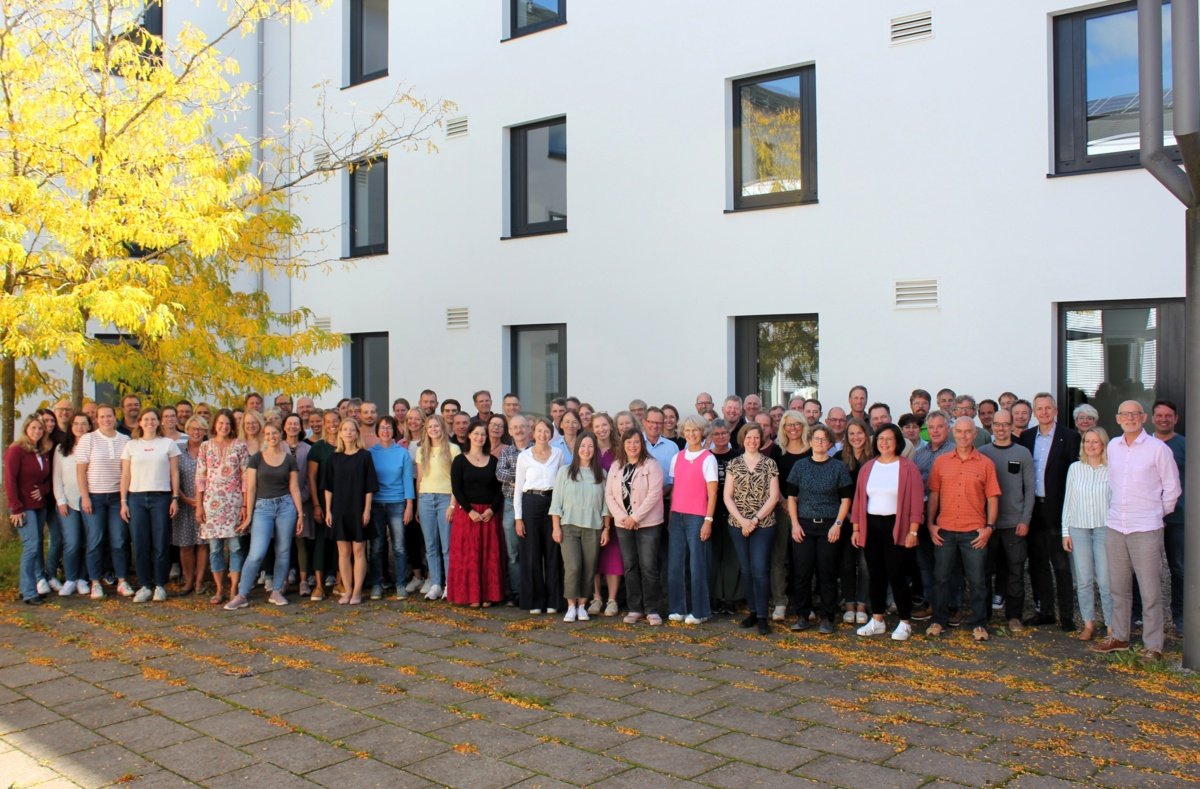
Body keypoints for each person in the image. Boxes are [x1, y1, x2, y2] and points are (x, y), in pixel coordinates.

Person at [1093, 402, 1181, 662]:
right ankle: (1120, 636)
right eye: (1124, 414)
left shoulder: (1158, 449)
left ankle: (1153, 645)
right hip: (1117, 525)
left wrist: (1155, 513)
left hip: (1146, 527)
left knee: (1150, 589)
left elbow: (1172, 489)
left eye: (1135, 414)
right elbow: (1112, 482)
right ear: (1118, 419)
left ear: (1143, 418)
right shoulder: (1113, 447)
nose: (1130, 418)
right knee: (1118, 587)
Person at [927, 418, 1001, 642]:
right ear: (953, 433)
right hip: (945, 530)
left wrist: (989, 527)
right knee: (941, 578)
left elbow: (992, 498)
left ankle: (979, 623)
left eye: (968, 432)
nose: (963, 436)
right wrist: (930, 524)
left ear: (975, 433)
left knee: (977, 580)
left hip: (974, 531)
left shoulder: (986, 463)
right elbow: (934, 495)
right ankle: (938, 620)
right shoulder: (941, 462)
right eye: (959, 432)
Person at [851, 424, 924, 641]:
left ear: (897, 442)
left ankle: (904, 622)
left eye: (889, 439)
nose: (884, 442)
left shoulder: (908, 468)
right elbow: (858, 499)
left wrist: (913, 531)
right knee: (875, 575)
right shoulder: (868, 468)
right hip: (871, 526)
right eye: (881, 438)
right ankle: (878, 619)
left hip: (897, 526)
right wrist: (856, 528)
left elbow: (916, 502)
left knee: (897, 574)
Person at [1017, 393, 1080, 631]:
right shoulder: (1027, 437)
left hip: (1058, 508)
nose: (1043, 412)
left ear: (1055, 411)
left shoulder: (1070, 437)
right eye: (1039, 409)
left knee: (1061, 564)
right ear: (1035, 412)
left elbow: (1074, 474)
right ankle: (1046, 612)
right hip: (1034, 509)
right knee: (1038, 562)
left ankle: (1066, 616)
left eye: (1047, 408)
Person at [225, 423, 303, 609]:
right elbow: (251, 489)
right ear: (264, 437)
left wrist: (300, 513)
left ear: (280, 434)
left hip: (286, 506)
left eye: (274, 433)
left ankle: (276, 591)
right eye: (267, 434)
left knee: (283, 551)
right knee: (256, 553)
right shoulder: (257, 459)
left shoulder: (289, 459)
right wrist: (249, 515)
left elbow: (294, 488)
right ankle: (242, 594)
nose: (271, 436)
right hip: (263, 507)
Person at [787, 424, 852, 634]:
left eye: (824, 440)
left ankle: (827, 617)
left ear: (831, 444)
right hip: (804, 525)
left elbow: (845, 499)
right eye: (816, 439)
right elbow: (792, 498)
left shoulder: (838, 468)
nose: (820, 443)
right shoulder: (799, 466)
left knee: (827, 573)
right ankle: (803, 615)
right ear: (810, 441)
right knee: (802, 572)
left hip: (829, 526)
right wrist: (795, 524)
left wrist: (838, 525)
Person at [979, 410, 1035, 631]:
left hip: (1014, 524)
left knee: (1015, 571)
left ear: (1012, 426)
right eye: (997, 424)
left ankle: (1014, 616)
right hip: (987, 525)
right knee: (983, 572)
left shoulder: (1023, 453)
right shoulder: (982, 453)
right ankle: (983, 616)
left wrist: (1025, 519)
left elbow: (1030, 489)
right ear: (991, 426)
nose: (1001, 428)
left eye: (1005, 424)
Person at [120, 409, 181, 603]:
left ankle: (160, 585)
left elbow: (174, 473)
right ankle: (145, 585)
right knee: (140, 543)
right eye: (146, 419)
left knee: (161, 543)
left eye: (153, 419)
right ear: (139, 422)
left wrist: (175, 497)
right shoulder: (131, 445)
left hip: (161, 497)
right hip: (136, 498)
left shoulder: (168, 444)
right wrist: (123, 501)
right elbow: (125, 475)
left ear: (159, 422)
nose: (149, 422)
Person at [723, 423, 780, 635]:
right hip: (737, 525)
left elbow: (774, 497)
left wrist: (754, 520)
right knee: (746, 569)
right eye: (749, 437)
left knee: (759, 569)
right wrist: (742, 521)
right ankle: (753, 612)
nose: (753, 441)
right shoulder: (734, 464)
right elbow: (727, 496)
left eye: (756, 437)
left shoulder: (769, 464)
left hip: (763, 525)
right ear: (743, 439)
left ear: (761, 439)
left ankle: (764, 616)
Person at [607, 429, 665, 625]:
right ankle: (635, 608)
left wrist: (636, 517)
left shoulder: (652, 465)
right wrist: (623, 517)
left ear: (642, 444)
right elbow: (609, 495)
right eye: (629, 442)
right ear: (623, 444)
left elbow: (654, 494)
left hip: (648, 524)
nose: (632, 446)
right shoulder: (616, 466)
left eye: (636, 442)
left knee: (648, 567)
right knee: (630, 566)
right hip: (623, 524)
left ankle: (652, 609)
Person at [550, 433, 610, 621]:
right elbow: (556, 502)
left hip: (593, 527)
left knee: (589, 568)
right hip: (568, 526)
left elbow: (605, 506)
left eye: (590, 446)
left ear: (595, 450)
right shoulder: (565, 472)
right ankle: (570, 605)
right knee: (573, 567)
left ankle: (583, 605)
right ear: (577, 449)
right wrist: (556, 527)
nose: (586, 450)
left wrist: (607, 528)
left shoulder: (602, 474)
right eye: (582, 446)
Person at [1061, 427, 1113, 642]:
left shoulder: (1112, 469)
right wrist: (1065, 531)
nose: (1090, 446)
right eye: (1087, 441)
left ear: (1103, 445)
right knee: (1083, 579)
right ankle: (1088, 624)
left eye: (1095, 442)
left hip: (1104, 528)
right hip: (1079, 528)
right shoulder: (1075, 468)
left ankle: (1111, 626)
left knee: (1106, 581)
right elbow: (1068, 501)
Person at [76, 404, 133, 598]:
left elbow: (127, 471)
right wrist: (85, 496)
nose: (106, 420)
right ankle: (95, 582)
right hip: (94, 497)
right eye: (102, 417)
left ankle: (122, 580)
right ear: (97, 420)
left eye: (109, 416)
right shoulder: (88, 439)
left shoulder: (125, 440)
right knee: (95, 540)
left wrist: (125, 498)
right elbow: (80, 471)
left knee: (119, 540)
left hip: (118, 497)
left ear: (115, 417)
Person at [448, 420, 506, 607]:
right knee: (469, 556)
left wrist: (492, 510)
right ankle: (471, 596)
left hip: (489, 514)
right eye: (476, 434)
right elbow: (457, 489)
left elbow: (500, 490)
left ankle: (488, 595)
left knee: (489, 556)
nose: (480, 437)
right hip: (467, 515)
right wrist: (470, 511)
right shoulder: (459, 460)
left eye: (483, 434)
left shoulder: (494, 461)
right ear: (470, 436)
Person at [667, 415, 719, 625]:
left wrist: (708, 519)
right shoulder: (677, 457)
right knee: (675, 564)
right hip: (676, 516)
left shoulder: (708, 458)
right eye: (687, 430)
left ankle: (700, 610)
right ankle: (678, 608)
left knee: (697, 564)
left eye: (695, 430)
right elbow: (674, 488)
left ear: (702, 432)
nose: (691, 434)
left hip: (697, 517)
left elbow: (713, 493)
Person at [321, 419, 379, 605]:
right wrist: (328, 511)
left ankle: (357, 591)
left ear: (356, 433)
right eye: (344, 430)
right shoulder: (334, 457)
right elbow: (328, 487)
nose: (348, 433)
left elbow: (370, 486)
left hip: (358, 508)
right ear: (340, 433)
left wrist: (367, 510)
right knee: (343, 552)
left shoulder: (364, 456)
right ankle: (346, 589)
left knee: (359, 550)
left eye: (351, 430)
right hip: (339, 509)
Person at [196, 409, 249, 605]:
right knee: (215, 548)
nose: (224, 427)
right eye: (221, 423)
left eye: (228, 424)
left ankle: (234, 588)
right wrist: (199, 505)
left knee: (235, 548)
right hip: (211, 503)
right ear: (214, 425)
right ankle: (219, 589)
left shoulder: (240, 447)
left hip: (234, 503)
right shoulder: (205, 447)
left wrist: (244, 504)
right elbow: (200, 477)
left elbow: (245, 477)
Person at [515, 418, 566, 614]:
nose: (543, 435)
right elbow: (519, 488)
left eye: (547, 431)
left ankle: (554, 600)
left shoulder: (558, 454)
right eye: (539, 431)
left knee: (554, 553)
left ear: (551, 435)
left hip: (552, 503)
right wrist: (519, 518)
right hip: (531, 503)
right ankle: (535, 601)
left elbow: (561, 483)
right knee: (532, 554)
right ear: (533, 433)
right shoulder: (524, 457)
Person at [6, 415, 54, 604]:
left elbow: (45, 479)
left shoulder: (41, 451)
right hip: (23, 507)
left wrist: (43, 490)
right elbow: (10, 480)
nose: (37, 431)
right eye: (33, 428)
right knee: (31, 545)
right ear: (26, 428)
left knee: (36, 546)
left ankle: (29, 585)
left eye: (40, 429)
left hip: (39, 506)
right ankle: (28, 592)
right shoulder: (16, 450)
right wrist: (15, 507)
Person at [413, 415, 460, 601]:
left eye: (436, 426)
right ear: (426, 430)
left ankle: (450, 584)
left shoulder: (453, 449)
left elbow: (456, 480)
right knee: (430, 545)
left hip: (445, 498)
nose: (433, 429)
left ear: (442, 428)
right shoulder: (421, 450)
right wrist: (417, 505)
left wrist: (452, 504)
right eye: (430, 426)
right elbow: (420, 479)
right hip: (425, 498)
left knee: (447, 546)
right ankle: (435, 584)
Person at [368, 416, 414, 601]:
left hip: (397, 503)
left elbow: (407, 480)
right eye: (382, 428)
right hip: (376, 504)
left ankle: (400, 584)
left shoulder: (402, 453)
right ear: (377, 431)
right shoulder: (370, 453)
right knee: (377, 546)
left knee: (399, 546)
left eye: (389, 428)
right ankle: (377, 584)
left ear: (394, 430)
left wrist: (409, 505)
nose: (386, 431)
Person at [1151, 400, 1185, 638]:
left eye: (1168, 415)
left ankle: (1181, 620)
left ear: (1176, 418)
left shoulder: (1185, 445)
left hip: (1178, 517)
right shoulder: (1143, 444)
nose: (1164, 419)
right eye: (1159, 415)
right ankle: (1137, 617)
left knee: (1179, 569)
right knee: (1142, 570)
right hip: (1146, 518)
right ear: (1152, 418)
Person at [772, 410, 810, 621]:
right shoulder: (778, 451)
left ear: (803, 426)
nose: (792, 428)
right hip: (781, 509)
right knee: (779, 557)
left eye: (796, 424)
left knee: (802, 559)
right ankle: (780, 602)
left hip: (805, 510)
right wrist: (784, 502)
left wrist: (797, 504)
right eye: (788, 425)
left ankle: (803, 602)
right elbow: (772, 479)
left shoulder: (811, 449)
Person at [52, 413, 93, 597]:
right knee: (72, 542)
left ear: (90, 427)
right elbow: (57, 477)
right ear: (71, 427)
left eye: (84, 424)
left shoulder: (94, 446)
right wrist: (60, 500)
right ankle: (70, 578)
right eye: (76, 424)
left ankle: (83, 579)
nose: (80, 427)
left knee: (88, 541)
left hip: (90, 500)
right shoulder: (62, 449)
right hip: (68, 501)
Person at [839, 418, 874, 625]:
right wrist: (848, 515)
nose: (856, 437)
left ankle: (862, 604)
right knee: (846, 563)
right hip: (845, 519)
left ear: (866, 434)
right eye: (851, 433)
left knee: (865, 563)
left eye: (859, 433)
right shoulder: (838, 458)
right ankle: (849, 603)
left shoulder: (875, 459)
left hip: (869, 519)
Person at [588, 412, 623, 616]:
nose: (601, 429)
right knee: (593, 554)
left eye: (604, 425)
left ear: (610, 426)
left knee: (612, 555)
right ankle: (596, 597)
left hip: (614, 508)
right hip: (592, 508)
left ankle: (612, 599)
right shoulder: (588, 449)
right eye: (596, 426)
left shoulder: (619, 450)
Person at [708, 420, 743, 615]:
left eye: (724, 433)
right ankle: (715, 596)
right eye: (716, 434)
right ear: (711, 437)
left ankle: (731, 598)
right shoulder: (707, 457)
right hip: (711, 513)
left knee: (732, 556)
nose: (720, 437)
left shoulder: (737, 457)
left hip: (734, 512)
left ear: (729, 435)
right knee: (713, 556)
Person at [305, 409, 341, 601]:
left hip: (344, 500)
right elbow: (311, 476)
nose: (332, 424)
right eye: (328, 421)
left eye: (335, 420)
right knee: (320, 542)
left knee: (341, 542)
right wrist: (317, 505)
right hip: (322, 499)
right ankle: (318, 585)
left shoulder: (347, 445)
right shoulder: (319, 447)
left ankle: (340, 581)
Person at [496, 414, 531, 604]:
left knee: (533, 550)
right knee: (513, 552)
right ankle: (517, 592)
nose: (519, 430)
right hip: (510, 503)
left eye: (522, 426)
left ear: (528, 429)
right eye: (515, 427)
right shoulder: (506, 452)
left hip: (532, 503)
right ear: (510, 431)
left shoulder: (537, 450)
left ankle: (532, 590)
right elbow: (500, 473)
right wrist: (524, 473)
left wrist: (521, 474)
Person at [173, 415, 209, 596]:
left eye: (200, 429)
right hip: (184, 503)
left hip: (206, 504)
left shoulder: (210, 449)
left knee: (203, 544)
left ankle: (200, 582)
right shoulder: (178, 450)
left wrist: (201, 501)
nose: (196, 432)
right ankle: (188, 581)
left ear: (205, 431)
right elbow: (172, 476)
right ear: (187, 430)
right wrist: (184, 497)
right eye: (193, 428)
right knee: (185, 545)